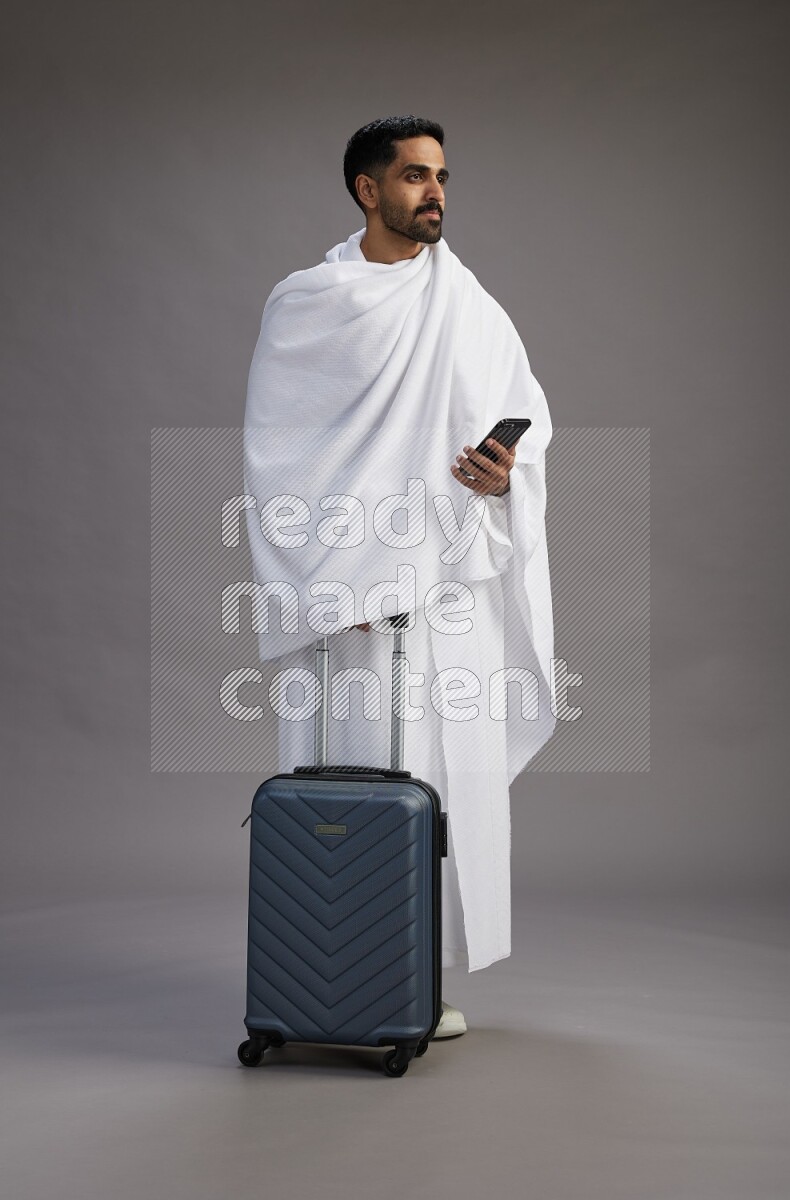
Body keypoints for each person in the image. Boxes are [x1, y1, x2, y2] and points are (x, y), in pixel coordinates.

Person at [242, 116, 556, 1041]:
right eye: (415, 176)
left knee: (433, 778)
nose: (436, 194)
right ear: (366, 190)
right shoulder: (308, 303)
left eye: (444, 177)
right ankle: (336, 978)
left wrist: (503, 478)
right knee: (351, 777)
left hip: (444, 584)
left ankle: (405, 978)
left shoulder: (469, 304)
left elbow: (524, 416)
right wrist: (347, 576)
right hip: (347, 599)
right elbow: (281, 459)